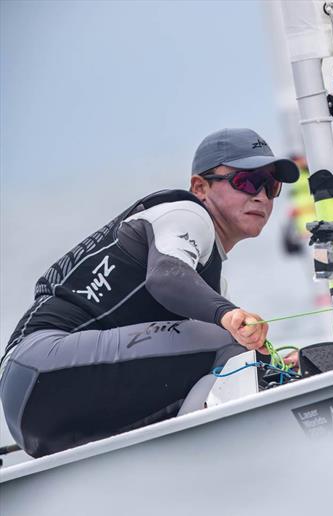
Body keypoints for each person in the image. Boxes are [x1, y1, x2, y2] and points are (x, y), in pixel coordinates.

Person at [0, 128, 299, 458]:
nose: (261, 196)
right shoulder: (185, 213)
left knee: (238, 355)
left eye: (271, 186)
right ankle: (209, 467)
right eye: (246, 181)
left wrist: (269, 364)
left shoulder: (209, 281)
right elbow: (166, 277)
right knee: (227, 341)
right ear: (200, 187)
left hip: (48, 403)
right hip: (37, 370)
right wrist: (229, 318)